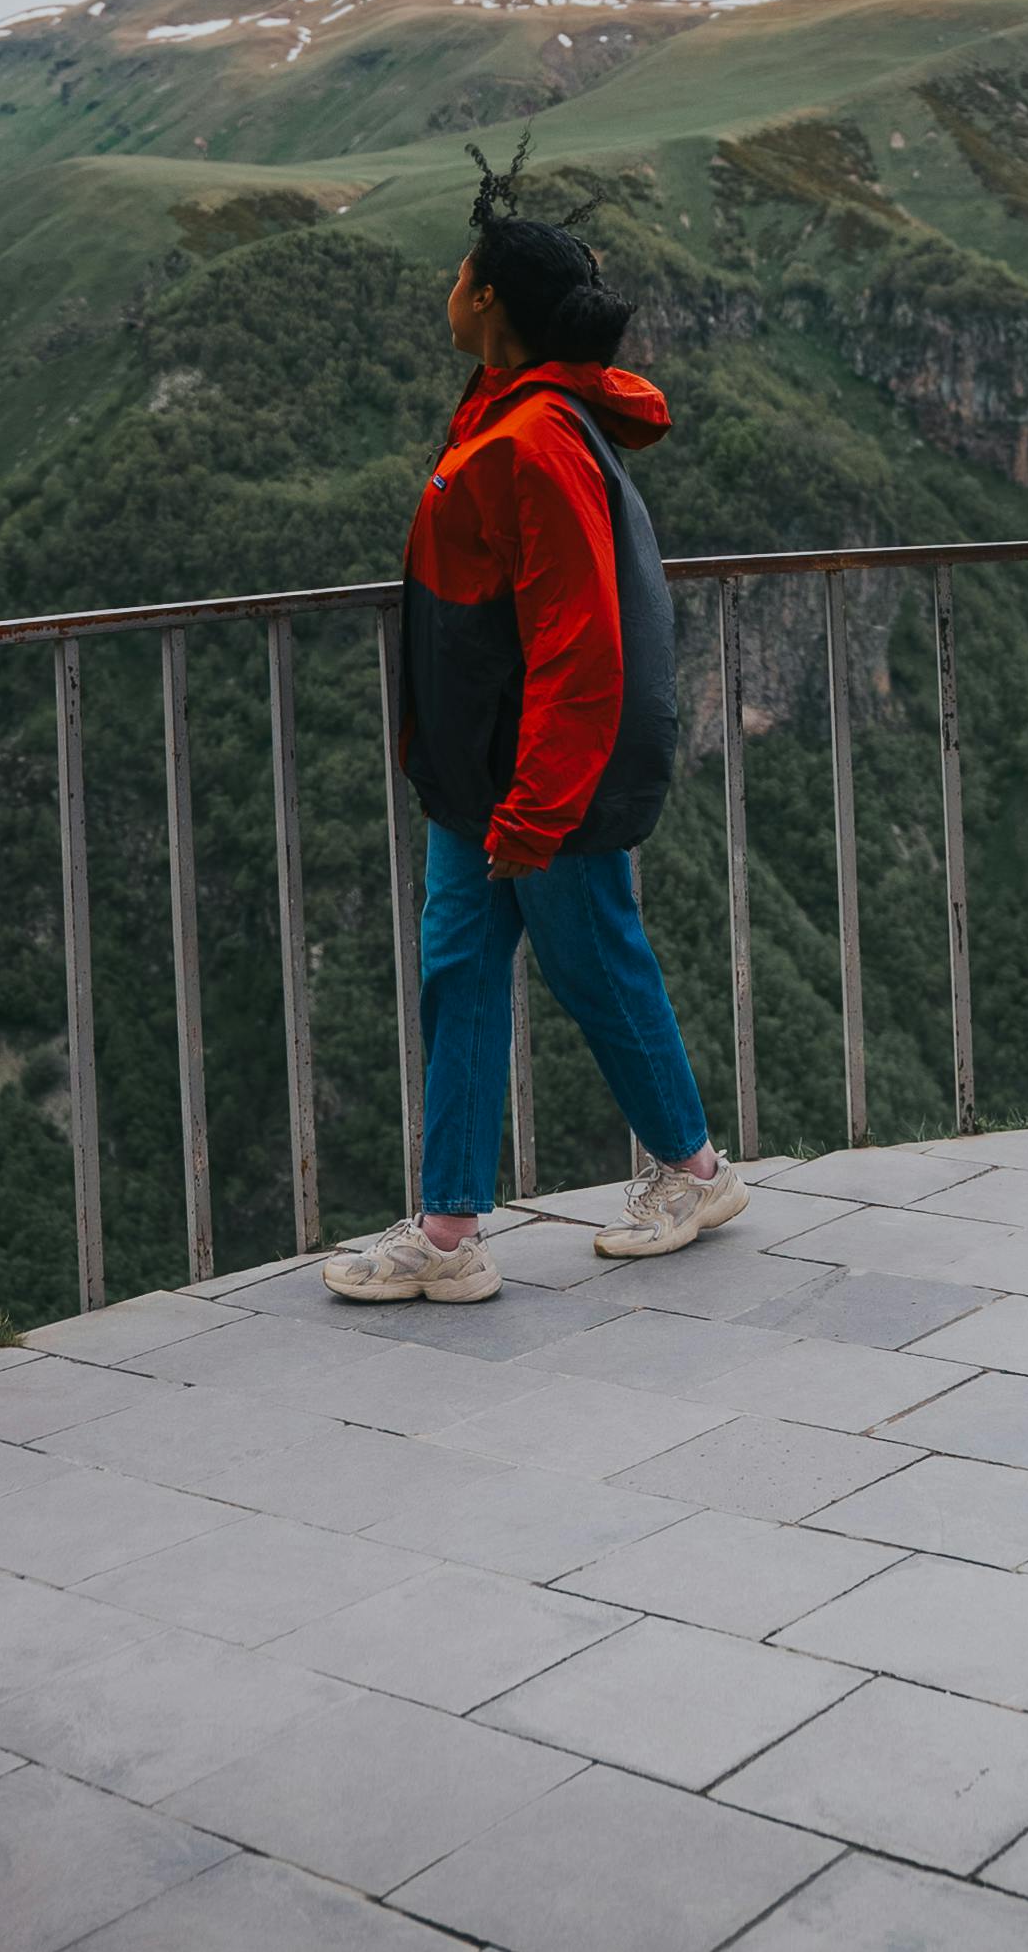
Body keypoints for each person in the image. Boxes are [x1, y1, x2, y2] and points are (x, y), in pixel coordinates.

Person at [325, 143, 744, 1305]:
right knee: (460, 970)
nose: (448, 287)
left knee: (591, 956)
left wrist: (539, 805)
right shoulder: (501, 417)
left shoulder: (533, 439)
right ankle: (450, 1231)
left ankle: (693, 1168)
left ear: (490, 298)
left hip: (534, 774)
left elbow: (583, 640)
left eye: (461, 271)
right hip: (481, 766)